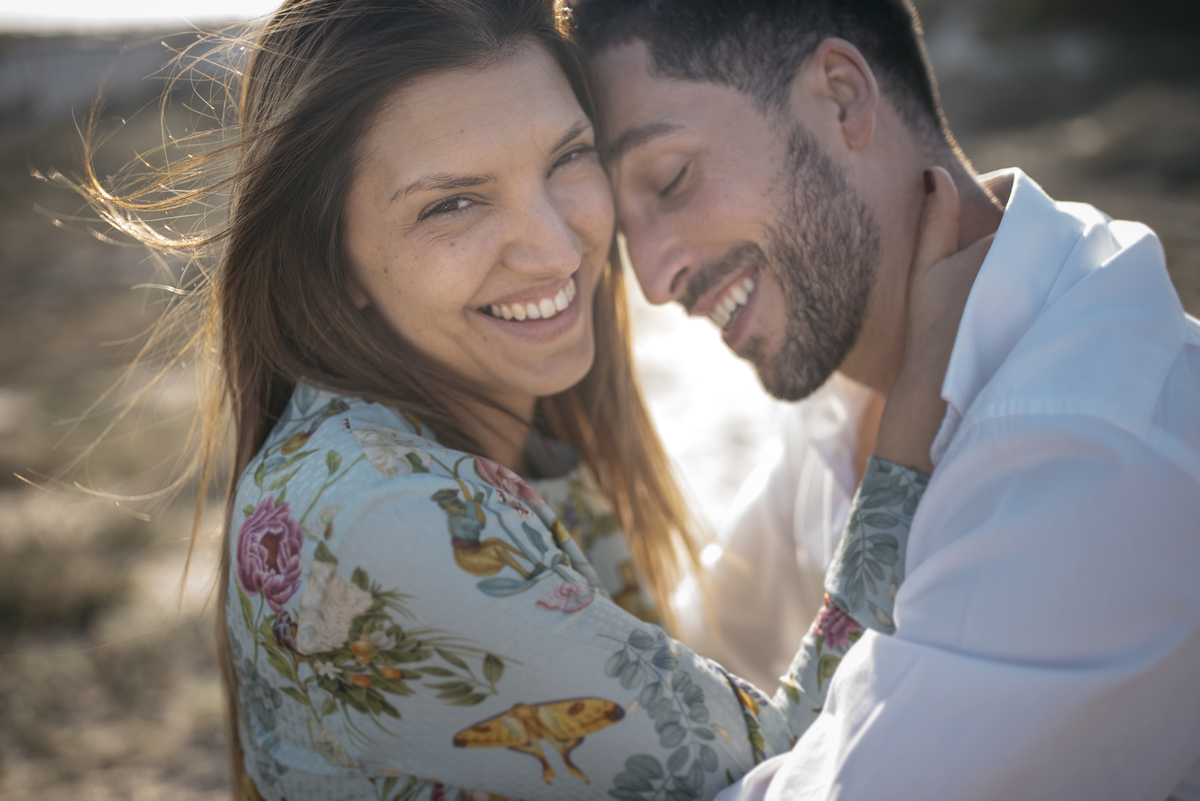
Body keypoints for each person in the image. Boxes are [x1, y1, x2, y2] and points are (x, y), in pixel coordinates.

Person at [65, 0, 978, 798]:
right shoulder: (373, 518)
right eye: (452, 205)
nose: (553, 246)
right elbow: (789, 767)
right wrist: (910, 419)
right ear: (329, 260)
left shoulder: (497, 435)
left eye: (569, 157)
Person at [572, 0, 1200, 798]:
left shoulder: (1094, 463)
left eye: (671, 178)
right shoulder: (843, 398)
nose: (655, 280)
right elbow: (690, 666)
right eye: (625, 235)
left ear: (842, 97)